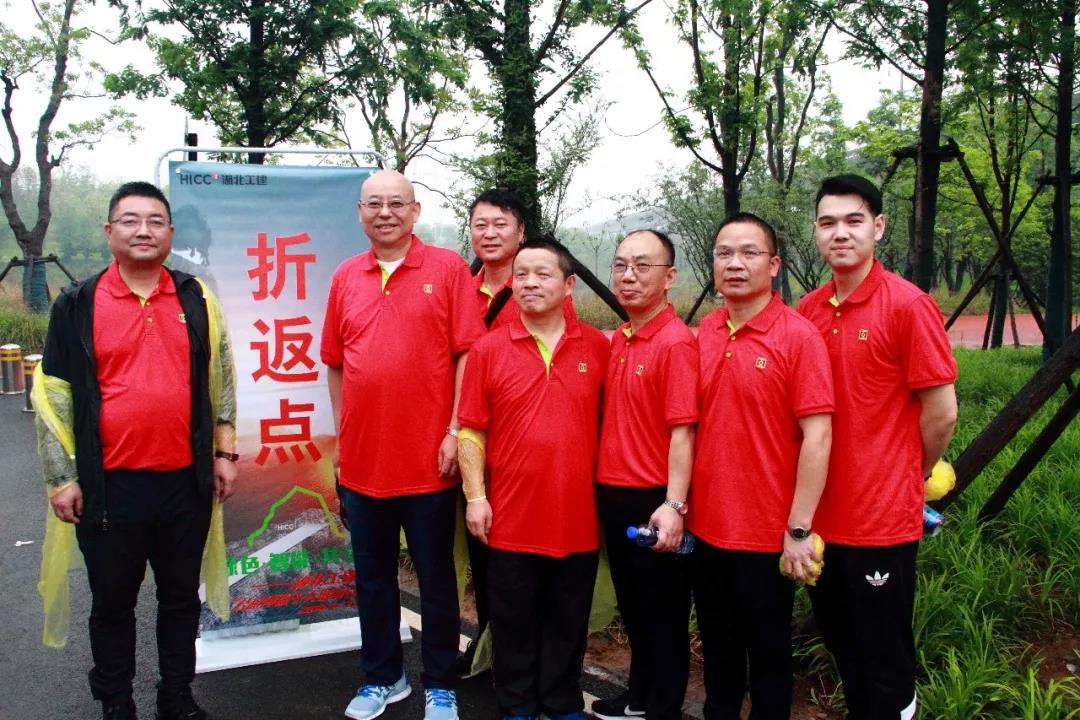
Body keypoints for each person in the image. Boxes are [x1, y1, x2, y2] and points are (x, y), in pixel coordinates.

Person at [34, 181, 238, 720]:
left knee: (180, 598)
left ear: (170, 232)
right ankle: (116, 700)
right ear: (109, 231)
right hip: (109, 487)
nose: (143, 230)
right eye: (130, 220)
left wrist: (224, 452)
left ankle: (177, 696)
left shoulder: (196, 298)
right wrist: (61, 478)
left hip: (184, 484)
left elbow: (221, 378)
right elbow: (52, 394)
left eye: (154, 221)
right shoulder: (77, 304)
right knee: (112, 603)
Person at [320, 170, 485, 720]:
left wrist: (455, 430)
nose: (385, 213)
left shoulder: (448, 269)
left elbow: (468, 354)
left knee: (436, 578)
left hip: (428, 460)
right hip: (363, 461)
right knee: (372, 577)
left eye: (397, 203)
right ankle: (383, 677)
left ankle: (440, 681)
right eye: (374, 204)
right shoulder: (346, 276)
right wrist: (343, 435)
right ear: (360, 212)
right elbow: (336, 363)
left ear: (415, 211)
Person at [798, 175, 958, 719]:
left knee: (883, 651)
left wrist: (911, 474)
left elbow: (942, 412)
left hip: (881, 517)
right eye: (828, 223)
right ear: (817, 232)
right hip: (822, 516)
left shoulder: (908, 305)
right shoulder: (809, 310)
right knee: (841, 639)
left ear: (879, 227)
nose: (840, 233)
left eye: (854, 220)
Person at [688, 213, 834, 720]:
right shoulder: (706, 331)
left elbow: (818, 435)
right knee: (718, 650)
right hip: (706, 528)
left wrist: (799, 528)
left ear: (773, 265)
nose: (735, 263)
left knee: (769, 655)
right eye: (724, 253)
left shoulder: (798, 337)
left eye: (749, 253)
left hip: (767, 533)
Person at [457, 238, 609, 720]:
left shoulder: (598, 348)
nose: (529, 283)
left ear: (569, 284)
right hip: (510, 515)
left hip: (578, 515)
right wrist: (476, 496)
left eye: (543, 274)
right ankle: (517, 704)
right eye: (521, 274)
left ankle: (562, 702)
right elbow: (471, 429)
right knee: (512, 619)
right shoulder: (488, 350)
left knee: (568, 617)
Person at [592, 229, 698, 720]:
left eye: (642, 266)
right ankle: (639, 695)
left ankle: (663, 706)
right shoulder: (622, 337)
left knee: (663, 611)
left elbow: (683, 432)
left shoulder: (675, 343)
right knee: (635, 606)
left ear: (669, 276)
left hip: (653, 498)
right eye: (620, 265)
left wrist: (674, 504)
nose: (628, 275)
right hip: (615, 493)